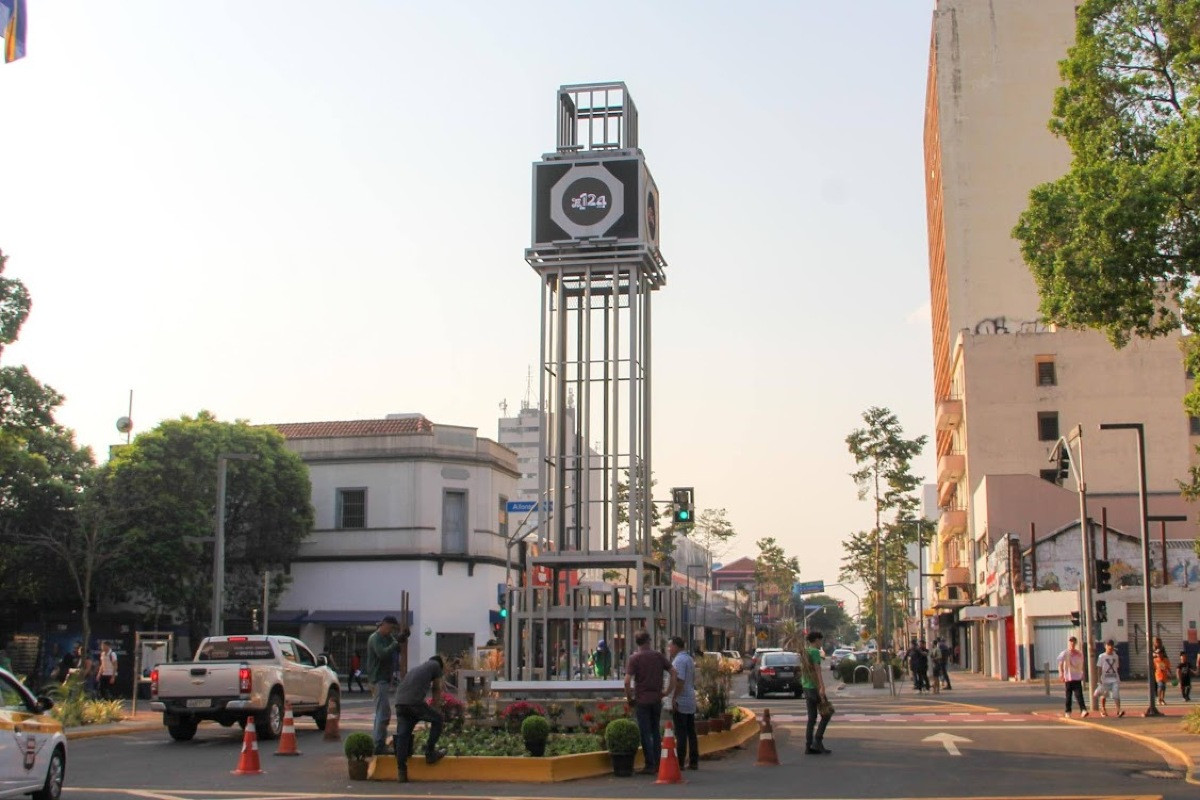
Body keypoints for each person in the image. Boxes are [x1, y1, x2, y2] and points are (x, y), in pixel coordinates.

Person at [624, 630, 676, 776]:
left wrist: (630, 698)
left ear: (637, 642)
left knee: (645, 732)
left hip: (641, 700)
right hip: (656, 699)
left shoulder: (635, 658)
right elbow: (673, 672)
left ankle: (650, 764)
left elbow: (627, 681)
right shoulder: (658, 656)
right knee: (655, 730)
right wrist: (667, 691)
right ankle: (659, 763)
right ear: (649, 641)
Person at [392, 655, 451, 783]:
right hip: (414, 703)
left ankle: (401, 771)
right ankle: (430, 753)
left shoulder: (417, 669)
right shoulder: (435, 665)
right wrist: (436, 708)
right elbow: (436, 688)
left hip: (400, 702)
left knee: (403, 735)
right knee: (438, 719)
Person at [366, 615, 409, 754]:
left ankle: (378, 743)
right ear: (383, 625)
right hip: (378, 680)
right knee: (383, 713)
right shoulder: (375, 638)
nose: (391, 631)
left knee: (382, 712)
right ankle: (379, 746)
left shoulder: (387, 637)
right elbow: (382, 654)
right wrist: (397, 642)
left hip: (384, 679)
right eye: (390, 627)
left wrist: (401, 638)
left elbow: (395, 647)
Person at [667, 636, 698, 771]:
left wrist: (674, 698)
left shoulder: (679, 660)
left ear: (676, 646)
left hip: (682, 700)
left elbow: (679, 681)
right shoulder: (689, 659)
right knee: (691, 732)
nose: (669, 649)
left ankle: (680, 762)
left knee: (681, 733)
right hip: (690, 699)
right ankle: (693, 761)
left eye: (670, 646)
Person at [800, 630, 833, 755]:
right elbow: (817, 670)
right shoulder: (814, 652)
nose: (821, 643)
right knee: (826, 713)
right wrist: (822, 687)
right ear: (816, 640)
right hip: (814, 687)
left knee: (812, 718)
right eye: (820, 640)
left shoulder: (805, 652)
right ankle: (817, 741)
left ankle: (809, 746)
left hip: (806, 686)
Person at [1058, 636, 1088, 718]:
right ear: (1069, 643)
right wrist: (1061, 673)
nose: (1072, 643)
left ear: (1076, 643)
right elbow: (1060, 663)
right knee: (1068, 695)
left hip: (1077, 676)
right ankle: (1068, 711)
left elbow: (1081, 664)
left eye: (1074, 642)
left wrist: (1082, 673)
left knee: (1079, 695)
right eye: (1071, 642)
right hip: (1068, 677)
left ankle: (1083, 710)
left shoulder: (1079, 653)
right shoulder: (1065, 653)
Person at [1093, 639, 1124, 717]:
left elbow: (1116, 667)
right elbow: (1099, 668)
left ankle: (1118, 710)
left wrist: (1117, 677)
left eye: (1111, 645)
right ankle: (1103, 709)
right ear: (1105, 646)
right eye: (1108, 645)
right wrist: (1099, 678)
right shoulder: (1102, 656)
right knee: (1104, 695)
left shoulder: (1115, 656)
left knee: (1116, 694)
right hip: (1105, 679)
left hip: (1114, 678)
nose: (1110, 647)